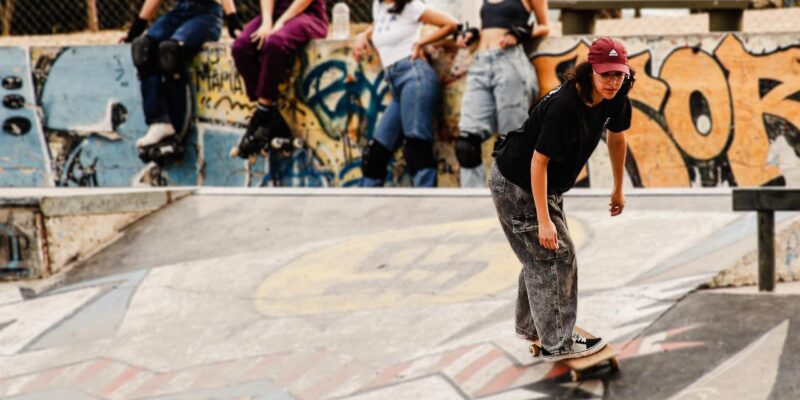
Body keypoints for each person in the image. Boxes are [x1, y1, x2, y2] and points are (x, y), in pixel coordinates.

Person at [489, 37, 634, 361]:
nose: (612, 82)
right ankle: (557, 342)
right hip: (517, 184)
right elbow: (538, 162)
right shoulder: (566, 106)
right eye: (605, 75)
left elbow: (617, 137)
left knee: (540, 257)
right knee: (554, 255)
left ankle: (533, 327)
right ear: (590, 71)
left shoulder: (617, 95)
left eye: (618, 75)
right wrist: (543, 220)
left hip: (544, 185)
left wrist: (617, 187)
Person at [352, 1, 458, 187]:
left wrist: (422, 43)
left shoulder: (411, 6)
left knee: (416, 147)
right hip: (396, 84)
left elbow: (451, 23)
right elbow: (381, 26)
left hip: (414, 77)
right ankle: (366, 209)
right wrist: (363, 35)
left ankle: (426, 207)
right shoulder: (379, 6)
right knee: (375, 155)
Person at [123, 0, 243, 162]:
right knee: (142, 48)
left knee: (171, 51)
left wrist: (232, 18)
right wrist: (136, 28)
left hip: (206, 16)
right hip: (179, 13)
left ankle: (178, 131)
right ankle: (159, 121)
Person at [455, 0, 550, 188]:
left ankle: (508, 201)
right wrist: (472, 35)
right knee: (466, 145)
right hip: (481, 63)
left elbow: (545, 26)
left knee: (508, 145)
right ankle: (471, 202)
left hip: (510, 62)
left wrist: (519, 32)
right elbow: (489, 28)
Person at [230, 0, 328, 159]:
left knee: (275, 43)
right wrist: (267, 21)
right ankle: (272, 115)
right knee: (241, 47)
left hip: (307, 15)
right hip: (276, 14)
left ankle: (262, 112)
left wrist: (282, 22)